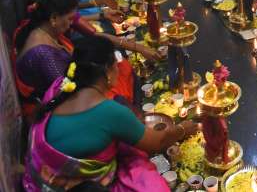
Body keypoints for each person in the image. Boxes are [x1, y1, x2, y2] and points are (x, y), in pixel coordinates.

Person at [22, 35, 199, 191]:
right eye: (116, 64)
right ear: (107, 71)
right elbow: (157, 142)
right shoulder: (110, 112)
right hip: (80, 186)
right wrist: (183, 129)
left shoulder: (60, 88)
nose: (118, 68)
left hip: (41, 180)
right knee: (150, 182)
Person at [14, 0, 157, 120]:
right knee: (119, 84)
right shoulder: (44, 55)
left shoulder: (47, 28)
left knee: (121, 66)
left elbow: (94, 35)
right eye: (70, 19)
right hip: (66, 106)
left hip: (76, 85)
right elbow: (69, 95)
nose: (72, 23)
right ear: (54, 18)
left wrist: (138, 48)